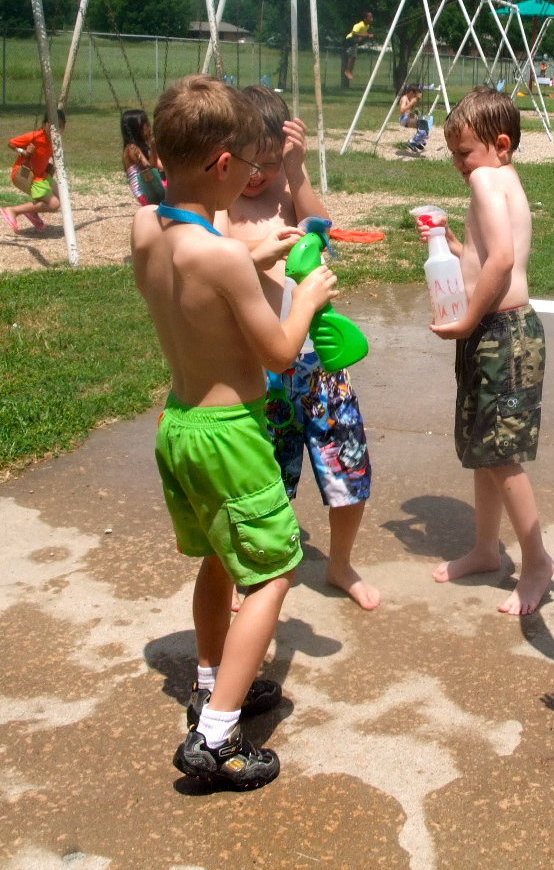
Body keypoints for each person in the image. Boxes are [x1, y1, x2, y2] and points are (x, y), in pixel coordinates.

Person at [133, 74, 337, 789]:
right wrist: (306, 296)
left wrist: (251, 260)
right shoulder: (218, 255)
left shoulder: (148, 228)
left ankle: (212, 678)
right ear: (224, 166)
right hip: (231, 434)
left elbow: (195, 288)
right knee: (275, 569)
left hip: (181, 423)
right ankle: (215, 736)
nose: (255, 178)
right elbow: (278, 352)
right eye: (250, 168)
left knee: (219, 559)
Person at [220, 85, 378, 612]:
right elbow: (216, 256)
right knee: (269, 477)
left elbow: (321, 228)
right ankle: (259, 569)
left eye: (270, 162)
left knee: (347, 470)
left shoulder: (286, 193)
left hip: (318, 362)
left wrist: (298, 172)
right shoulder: (223, 210)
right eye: (252, 163)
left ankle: (340, 563)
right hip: (261, 366)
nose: (259, 175)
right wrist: (258, 250)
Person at [416, 86, 554, 615]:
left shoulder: (485, 178)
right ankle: (484, 548)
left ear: (499, 144)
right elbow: (482, 255)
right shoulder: (502, 180)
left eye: (463, 151)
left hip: (503, 332)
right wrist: (450, 243)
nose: (458, 163)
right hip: (496, 330)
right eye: (452, 152)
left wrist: (466, 320)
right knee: (484, 447)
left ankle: (537, 560)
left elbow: (500, 264)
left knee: (502, 453)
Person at [3, 111, 65, 233]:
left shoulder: (55, 141)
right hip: (28, 175)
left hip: (42, 176)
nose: (54, 129)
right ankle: (13, 211)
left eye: (58, 126)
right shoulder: (35, 136)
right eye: (51, 125)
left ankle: (33, 212)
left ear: (63, 128)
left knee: (62, 196)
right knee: (54, 204)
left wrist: (50, 169)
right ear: (44, 124)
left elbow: (46, 158)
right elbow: (11, 143)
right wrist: (24, 152)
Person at [120, 108, 166, 206]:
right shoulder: (132, 149)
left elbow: (158, 163)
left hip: (152, 187)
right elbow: (149, 167)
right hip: (146, 192)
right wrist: (154, 147)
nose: (150, 128)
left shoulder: (143, 147)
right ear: (137, 129)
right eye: (147, 125)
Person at [342, 11, 374, 86]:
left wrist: (368, 35)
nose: (371, 18)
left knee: (354, 57)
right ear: (365, 19)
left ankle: (349, 71)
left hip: (355, 41)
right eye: (369, 17)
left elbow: (364, 34)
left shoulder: (367, 26)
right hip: (350, 38)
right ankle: (347, 71)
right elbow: (354, 33)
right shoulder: (359, 25)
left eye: (371, 16)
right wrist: (366, 36)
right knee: (352, 55)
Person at [398, 84, 430, 153]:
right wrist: (411, 103)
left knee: (425, 123)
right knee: (422, 124)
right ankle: (412, 141)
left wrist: (418, 98)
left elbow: (411, 109)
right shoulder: (404, 98)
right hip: (404, 119)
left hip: (408, 118)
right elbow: (402, 110)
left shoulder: (411, 99)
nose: (414, 96)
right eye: (414, 94)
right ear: (411, 93)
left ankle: (419, 141)